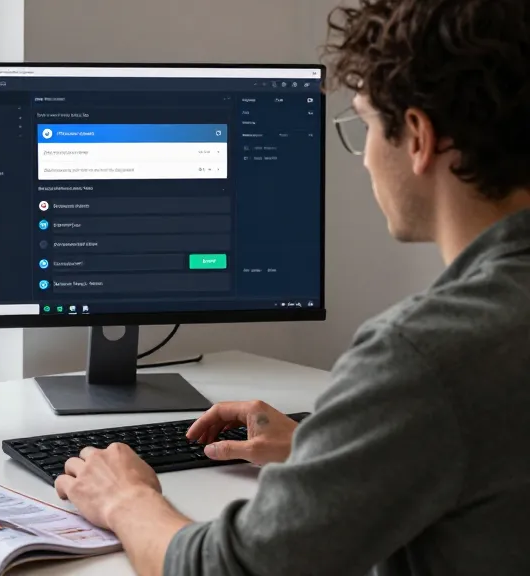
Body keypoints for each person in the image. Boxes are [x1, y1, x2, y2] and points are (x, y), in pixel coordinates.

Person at [53, 0, 530, 574]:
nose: (365, 160)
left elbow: (229, 571)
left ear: (418, 137)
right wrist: (328, 452)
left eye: (365, 126)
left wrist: (125, 498)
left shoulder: (424, 355)